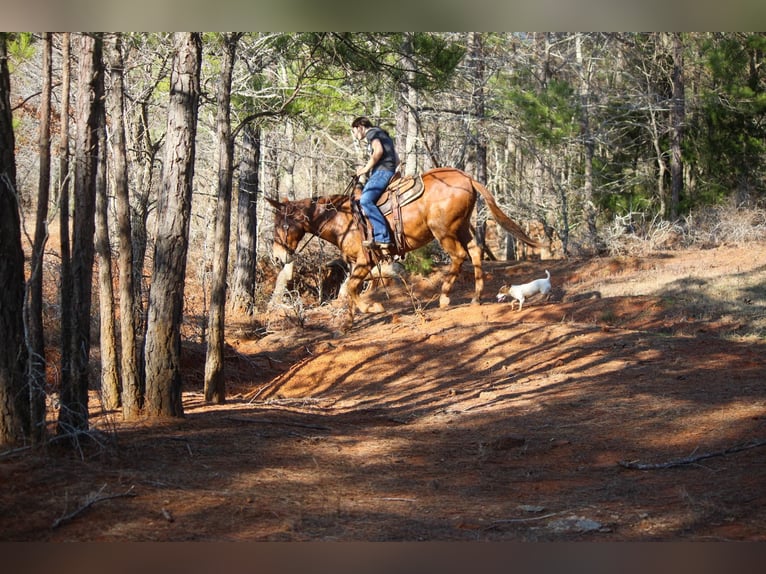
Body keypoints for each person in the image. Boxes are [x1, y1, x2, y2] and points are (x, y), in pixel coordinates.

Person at [351, 116, 399, 251]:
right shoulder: (383, 134)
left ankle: (382, 237)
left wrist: (365, 169)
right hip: (389, 171)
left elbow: (378, 151)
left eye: (354, 131)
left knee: (365, 200)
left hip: (382, 173)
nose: (355, 135)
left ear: (360, 127)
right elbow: (397, 159)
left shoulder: (372, 133)